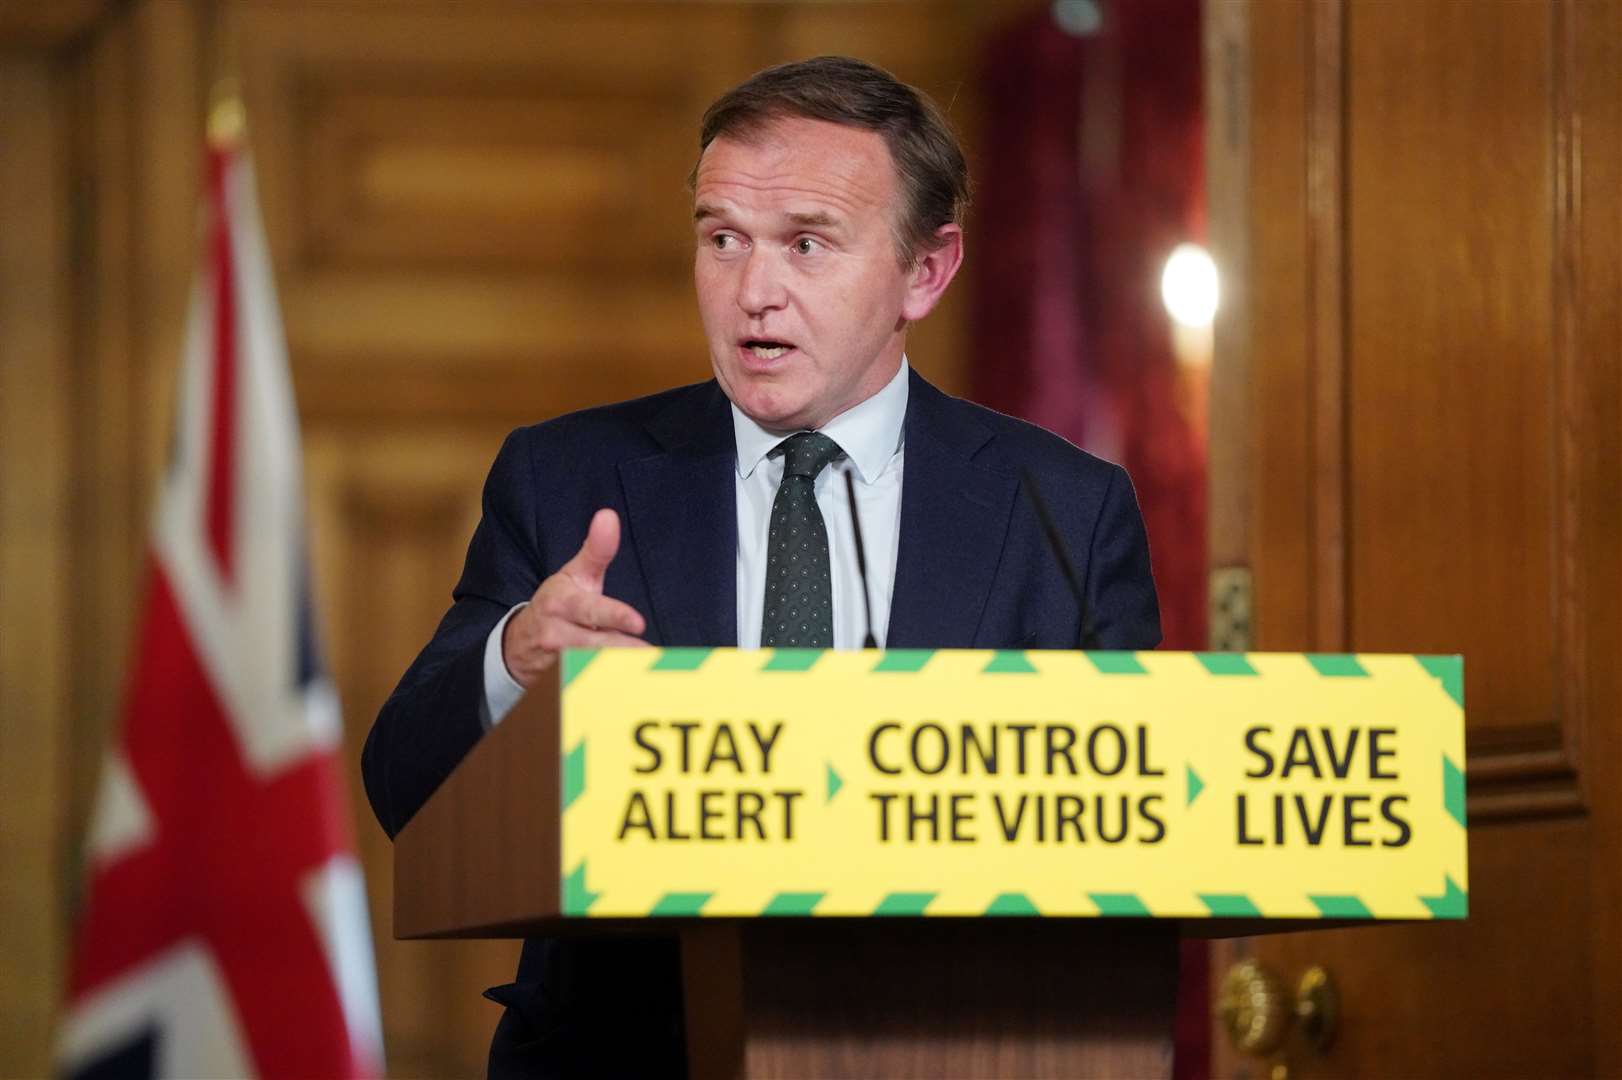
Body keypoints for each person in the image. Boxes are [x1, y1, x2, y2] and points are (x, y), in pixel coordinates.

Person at [362, 55, 1160, 1078]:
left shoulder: (1064, 510)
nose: (754, 291)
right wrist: (512, 662)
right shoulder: (565, 478)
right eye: (723, 239)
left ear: (926, 270)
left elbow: (1133, 840)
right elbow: (404, 790)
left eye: (807, 244)